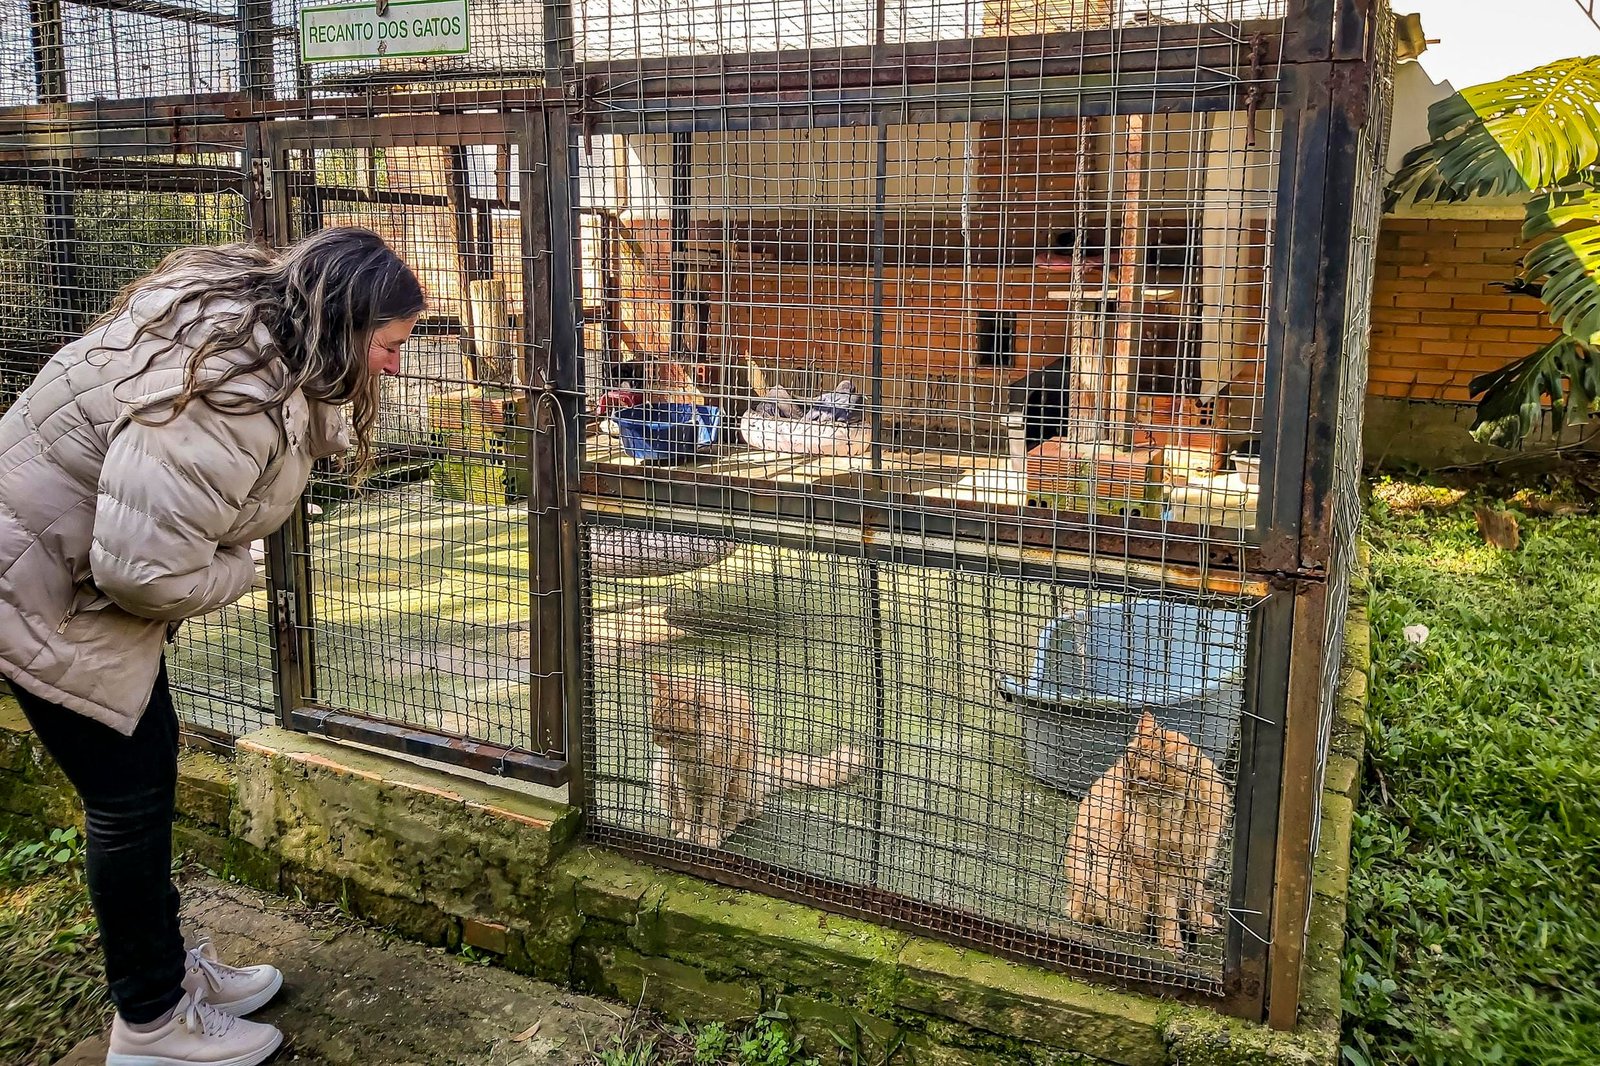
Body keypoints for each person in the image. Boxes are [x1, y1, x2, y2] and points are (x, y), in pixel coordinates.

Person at [0, 227, 423, 1066]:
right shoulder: (228, 392)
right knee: (127, 805)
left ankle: (166, 977)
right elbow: (143, 573)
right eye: (388, 345)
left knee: (146, 775)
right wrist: (243, 569)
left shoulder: (250, 324)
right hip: (37, 590)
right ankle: (151, 1024)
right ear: (340, 323)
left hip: (52, 569)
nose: (396, 365)